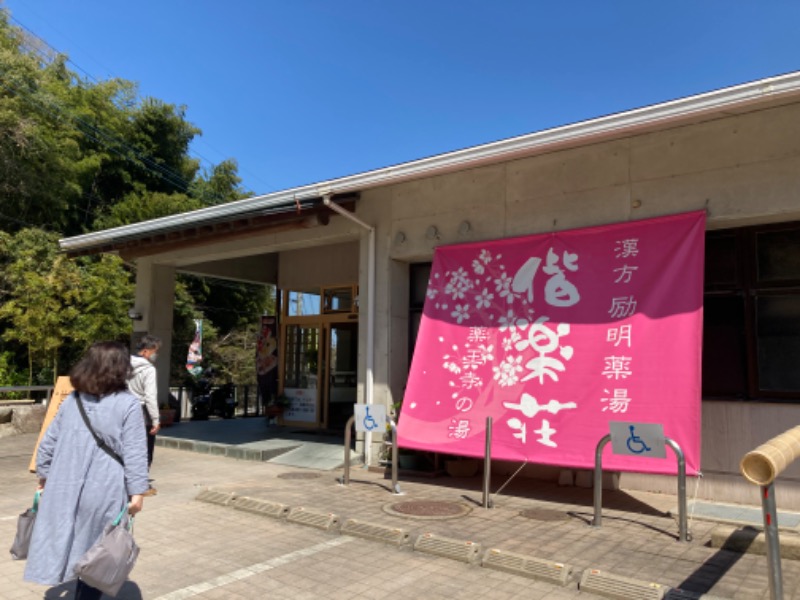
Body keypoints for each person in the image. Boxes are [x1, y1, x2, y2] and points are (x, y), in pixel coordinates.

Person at [24, 341, 149, 600]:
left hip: (63, 483)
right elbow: (136, 453)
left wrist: (44, 475)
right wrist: (138, 492)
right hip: (104, 487)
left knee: (65, 539)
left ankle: (68, 582)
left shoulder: (73, 399)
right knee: (97, 549)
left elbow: (48, 441)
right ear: (121, 368)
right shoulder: (129, 404)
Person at [128, 334, 161, 495]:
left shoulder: (123, 364)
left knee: (127, 447)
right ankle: (141, 484)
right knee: (145, 448)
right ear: (146, 351)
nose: (156, 354)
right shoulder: (148, 369)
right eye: (155, 351)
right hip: (142, 411)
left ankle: (125, 480)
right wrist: (155, 419)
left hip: (124, 409)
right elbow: (150, 396)